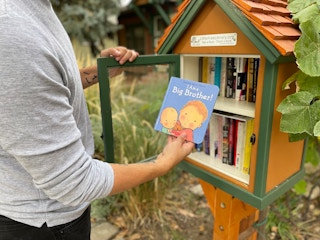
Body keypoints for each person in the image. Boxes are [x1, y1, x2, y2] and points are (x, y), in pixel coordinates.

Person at [0, 1, 194, 239]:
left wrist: (101, 72)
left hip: (60, 213)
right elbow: (73, 182)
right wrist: (161, 164)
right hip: (40, 224)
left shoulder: (36, 9)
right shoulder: (9, 30)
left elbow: (47, 88)